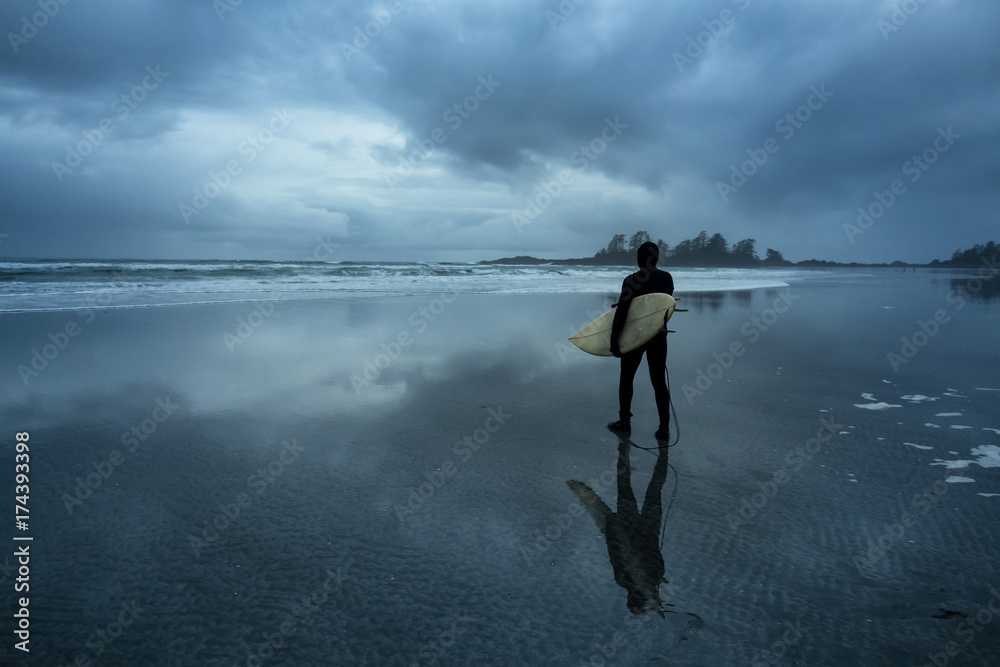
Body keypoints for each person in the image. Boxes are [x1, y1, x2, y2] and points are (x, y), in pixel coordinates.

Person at [607, 242, 674, 440]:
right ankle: (664, 428)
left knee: (627, 378)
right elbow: (662, 305)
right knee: (659, 381)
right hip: (658, 335)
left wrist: (614, 339)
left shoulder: (631, 280)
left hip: (635, 336)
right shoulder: (666, 278)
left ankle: (625, 422)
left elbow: (623, 311)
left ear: (641, 258)